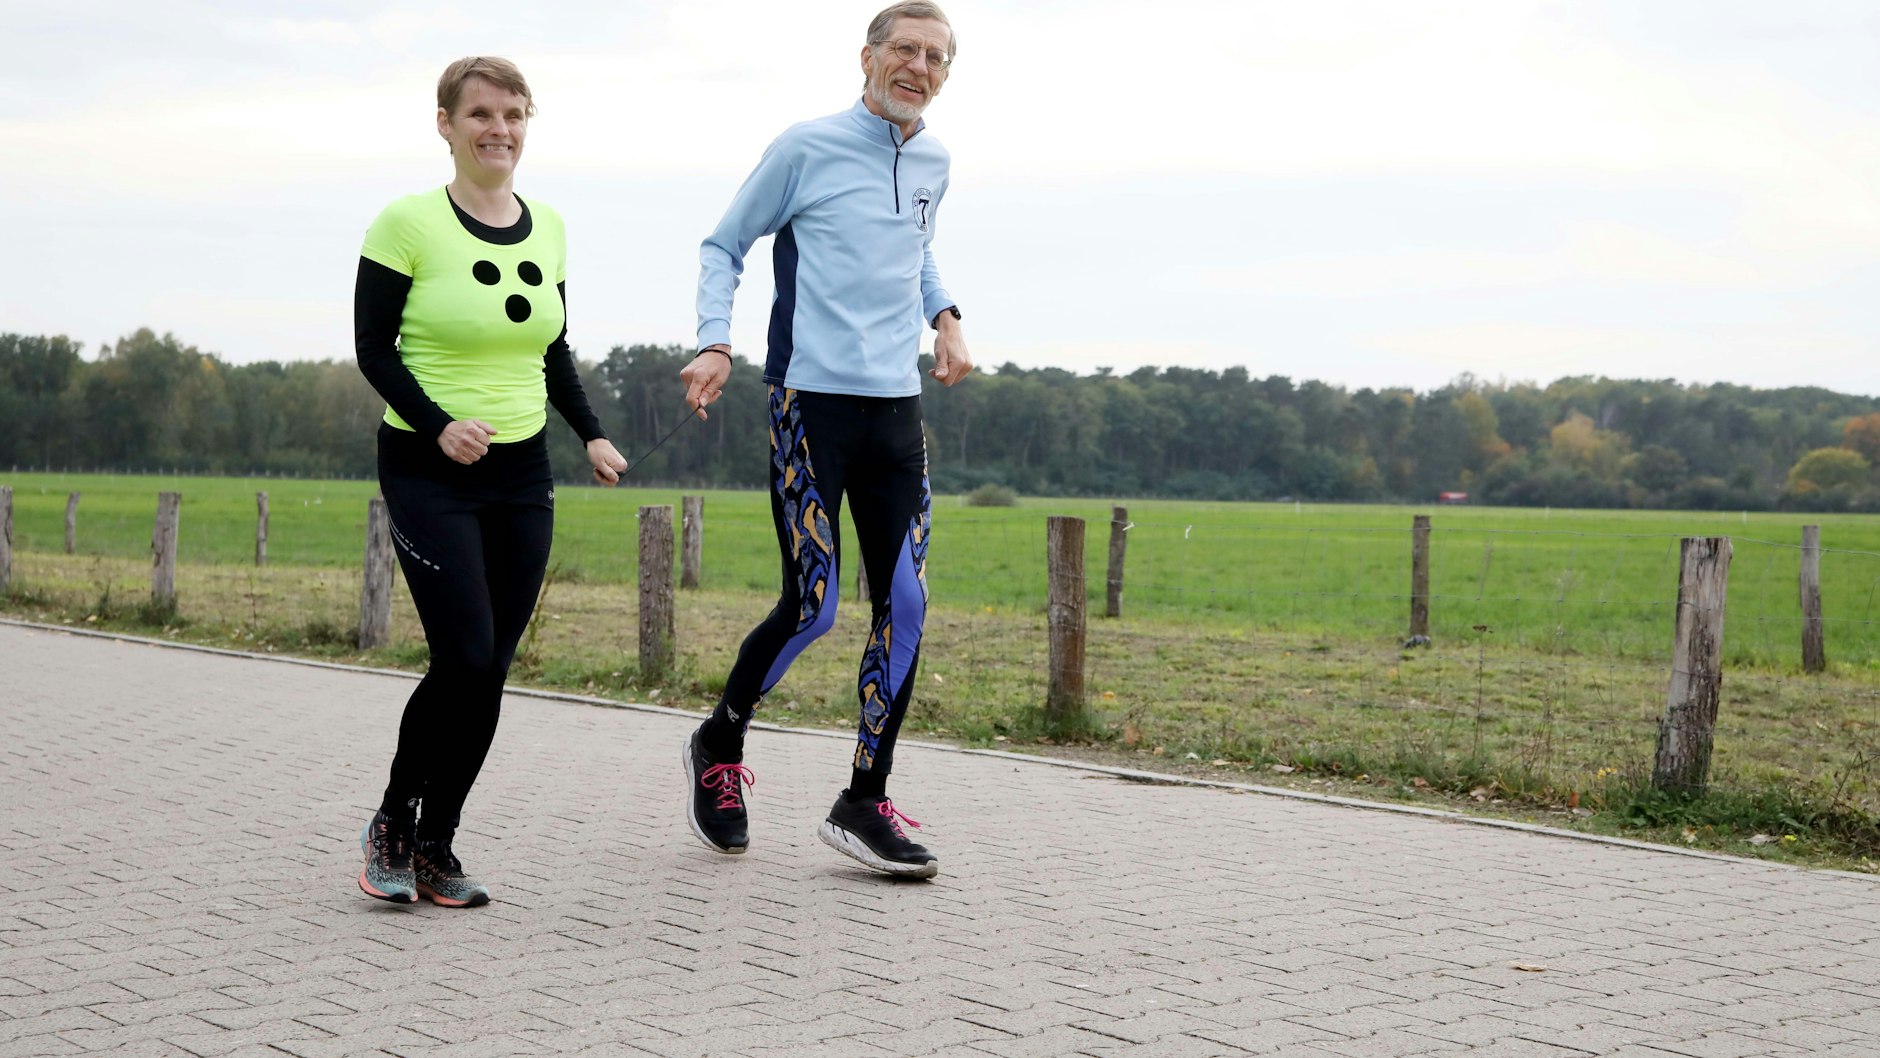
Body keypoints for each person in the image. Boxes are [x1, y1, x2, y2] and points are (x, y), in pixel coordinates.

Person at [679, 2, 972, 879]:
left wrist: (946, 316)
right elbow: (723, 242)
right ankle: (719, 742)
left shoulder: (935, 161)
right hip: (809, 404)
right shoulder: (806, 147)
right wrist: (712, 338)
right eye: (905, 50)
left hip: (897, 409)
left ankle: (862, 799)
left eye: (935, 57)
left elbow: (915, 249)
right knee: (815, 605)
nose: (918, 66)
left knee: (908, 606)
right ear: (869, 57)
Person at [352, 57, 628, 906]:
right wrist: (438, 423)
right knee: (463, 655)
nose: (498, 129)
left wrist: (591, 433)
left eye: (513, 114)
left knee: (490, 668)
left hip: (520, 472)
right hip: (429, 467)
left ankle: (437, 845)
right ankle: (393, 822)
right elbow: (374, 349)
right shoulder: (405, 223)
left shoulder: (547, 226)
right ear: (446, 124)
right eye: (480, 114)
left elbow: (550, 349)